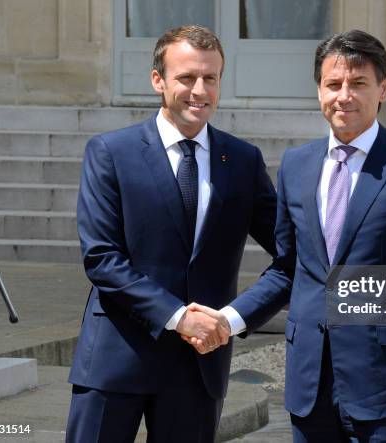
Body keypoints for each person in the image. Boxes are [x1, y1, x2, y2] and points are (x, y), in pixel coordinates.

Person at [186, 30, 386, 442]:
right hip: (309, 384)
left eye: (358, 84)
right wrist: (228, 319)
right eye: (333, 84)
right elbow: (288, 268)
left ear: (383, 88)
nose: (344, 96)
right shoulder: (297, 165)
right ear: (319, 89)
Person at [65, 25, 278, 442]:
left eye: (210, 78)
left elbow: (291, 254)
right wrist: (179, 317)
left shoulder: (243, 160)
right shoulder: (110, 153)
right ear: (157, 80)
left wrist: (233, 319)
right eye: (186, 78)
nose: (200, 90)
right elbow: (101, 258)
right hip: (116, 360)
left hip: (199, 368)